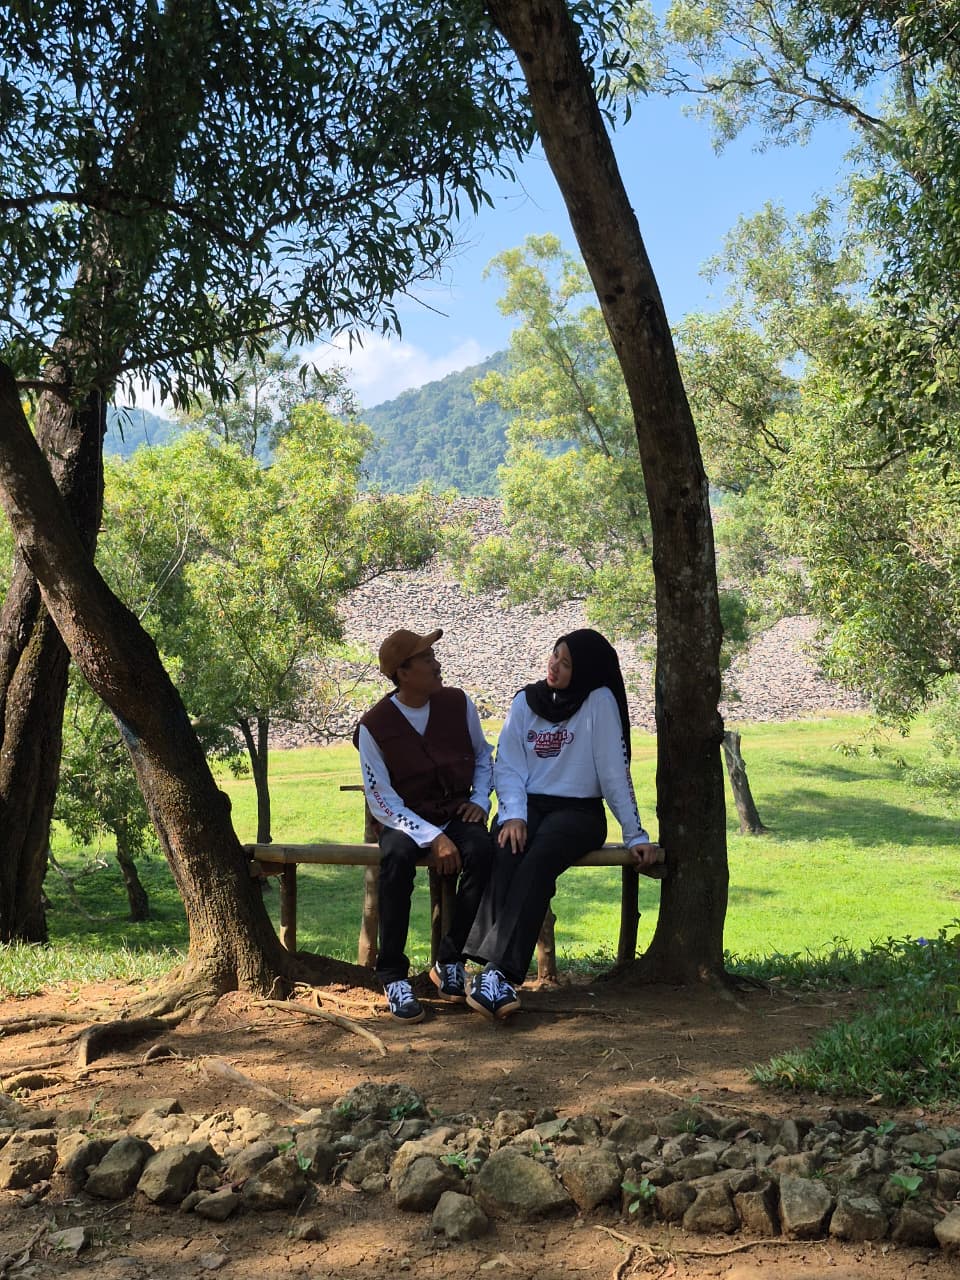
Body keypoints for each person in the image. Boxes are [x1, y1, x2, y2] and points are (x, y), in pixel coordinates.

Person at [464, 628, 658, 1020]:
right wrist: (513, 814)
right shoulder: (526, 701)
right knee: (506, 846)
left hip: (579, 811)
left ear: (584, 670)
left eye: (566, 663)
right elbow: (509, 765)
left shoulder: (598, 700)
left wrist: (635, 833)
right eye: (555, 655)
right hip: (529, 804)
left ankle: (499, 974)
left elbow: (614, 772)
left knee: (539, 859)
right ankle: (475, 966)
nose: (554, 666)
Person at [354, 627, 495, 1023]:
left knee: (483, 851)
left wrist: (480, 801)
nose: (437, 665)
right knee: (396, 859)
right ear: (403, 672)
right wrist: (433, 837)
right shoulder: (373, 727)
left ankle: (451, 960)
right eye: (427, 659)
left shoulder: (458, 703)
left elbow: (483, 757)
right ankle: (392, 975)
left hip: (456, 810)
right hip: (404, 819)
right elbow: (382, 800)